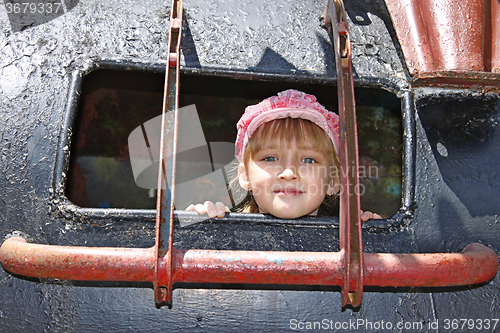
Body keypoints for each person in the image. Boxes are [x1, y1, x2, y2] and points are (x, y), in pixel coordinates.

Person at [186, 89, 381, 221]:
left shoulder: (348, 246)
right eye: (270, 158)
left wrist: (373, 241)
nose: (288, 173)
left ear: (333, 180)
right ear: (245, 177)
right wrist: (201, 231)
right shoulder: (228, 236)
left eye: (308, 160)